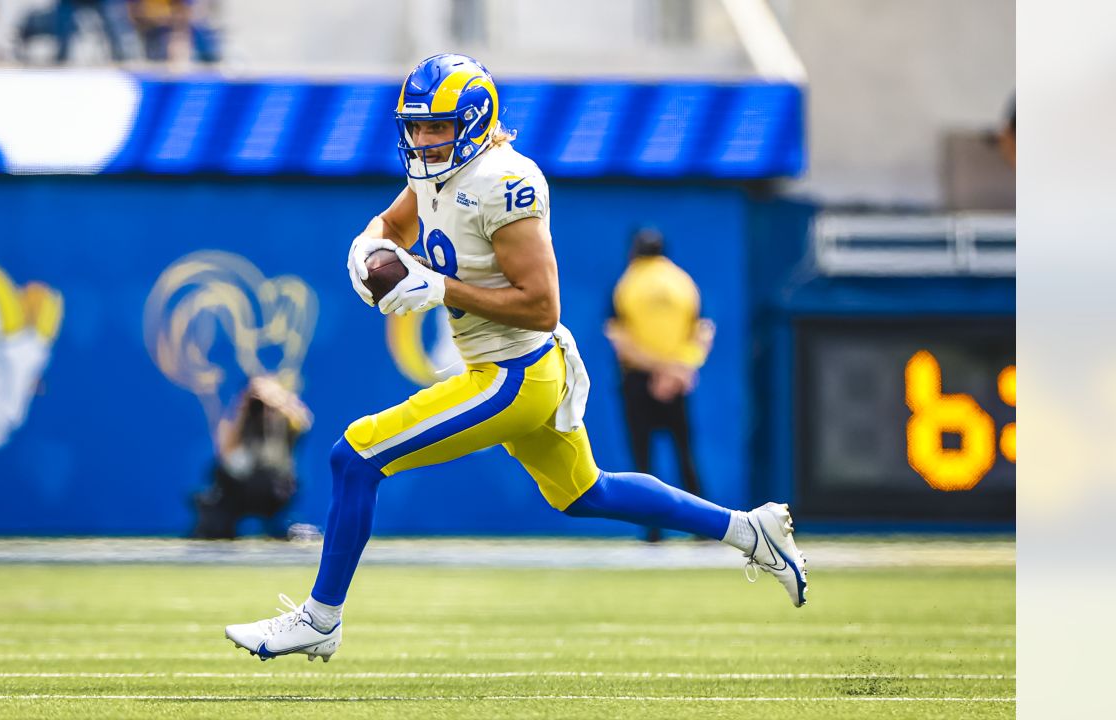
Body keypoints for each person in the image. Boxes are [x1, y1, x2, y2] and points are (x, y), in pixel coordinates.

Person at [225, 54, 808, 663]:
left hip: (514, 372)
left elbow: (542, 308)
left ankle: (321, 620)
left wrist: (440, 287)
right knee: (587, 492)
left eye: (437, 127)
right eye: (416, 128)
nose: (423, 140)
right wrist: (366, 247)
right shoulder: (435, 171)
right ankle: (749, 529)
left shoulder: (505, 182)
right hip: (515, 369)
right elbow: (393, 224)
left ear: (474, 122)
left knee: (356, 456)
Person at [605, 228, 716, 543]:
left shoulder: (628, 284)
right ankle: (702, 527)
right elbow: (703, 331)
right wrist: (679, 369)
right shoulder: (681, 282)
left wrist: (655, 369)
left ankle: (652, 529)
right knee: (685, 453)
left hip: (640, 379)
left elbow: (619, 338)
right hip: (677, 380)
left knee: (644, 459)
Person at [192, 375, 313, 540]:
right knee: (214, 523)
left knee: (287, 528)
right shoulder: (235, 422)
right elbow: (225, 454)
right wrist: (242, 409)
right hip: (237, 489)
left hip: (273, 490)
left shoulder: (285, 422)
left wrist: (278, 402)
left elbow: (303, 422)